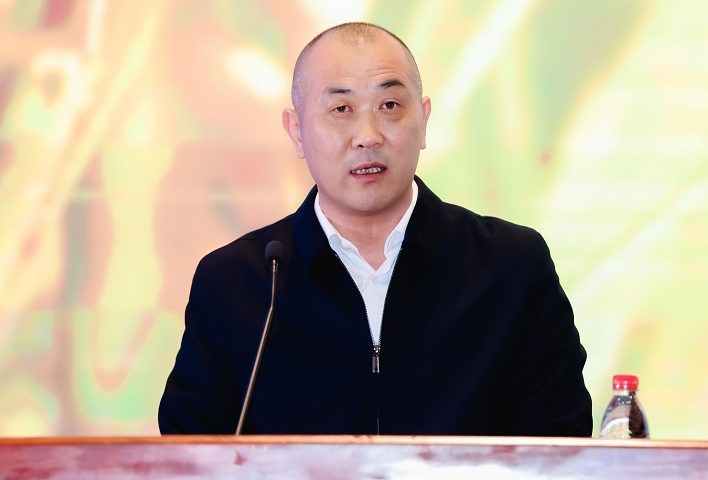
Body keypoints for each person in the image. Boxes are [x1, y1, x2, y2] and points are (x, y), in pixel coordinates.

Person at [159, 22, 592, 436]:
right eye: (341, 109)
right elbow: (187, 458)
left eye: (389, 106)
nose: (367, 136)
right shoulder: (239, 283)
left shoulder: (512, 269)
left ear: (423, 120)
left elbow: (560, 443)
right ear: (296, 131)